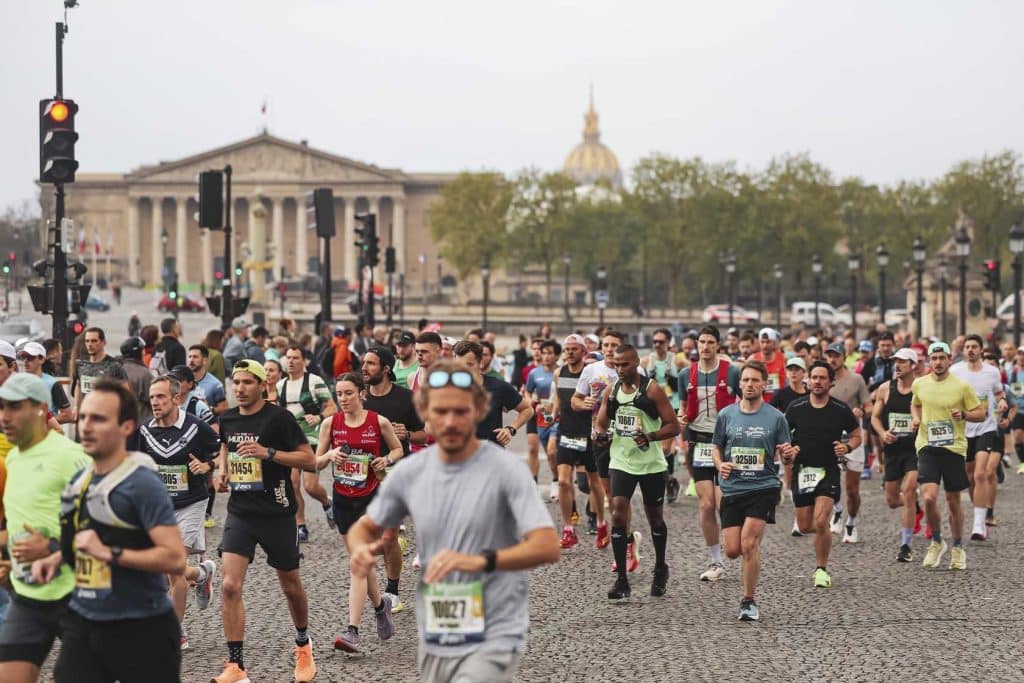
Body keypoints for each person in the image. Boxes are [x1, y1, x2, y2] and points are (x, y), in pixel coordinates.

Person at [347, 361, 559, 683]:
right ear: (425, 413)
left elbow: (546, 546)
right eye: (440, 411)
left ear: (478, 411)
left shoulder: (506, 470)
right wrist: (360, 549)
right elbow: (365, 527)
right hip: (442, 609)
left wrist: (479, 562)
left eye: (460, 411)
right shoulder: (412, 472)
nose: (449, 421)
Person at [39, 379, 186, 682]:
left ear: (126, 427)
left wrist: (110, 553)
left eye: (99, 419)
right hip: (84, 624)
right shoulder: (79, 480)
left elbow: (175, 558)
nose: (86, 426)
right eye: (83, 417)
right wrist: (55, 558)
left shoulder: (142, 484)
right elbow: (86, 542)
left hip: (143, 628)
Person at [211, 359, 317, 683]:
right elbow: (226, 446)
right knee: (230, 585)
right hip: (241, 513)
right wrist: (222, 471)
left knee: (290, 585)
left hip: (277, 513)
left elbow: (309, 460)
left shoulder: (279, 418)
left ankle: (303, 644)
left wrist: (268, 453)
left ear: (261, 385)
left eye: (247, 382)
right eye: (236, 383)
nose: (240, 388)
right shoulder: (227, 418)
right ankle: (236, 666)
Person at [0, 374, 90, 683]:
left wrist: (53, 547)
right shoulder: (13, 459)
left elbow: (107, 528)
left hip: (77, 596)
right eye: (1, 407)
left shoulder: (71, 457)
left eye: (14, 407)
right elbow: (22, 525)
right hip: (28, 598)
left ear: (41, 408)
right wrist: (9, 559)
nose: (4, 417)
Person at [314, 372, 401, 653]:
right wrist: (329, 456)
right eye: (339, 394)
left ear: (362, 393)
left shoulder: (378, 422)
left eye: (349, 393)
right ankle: (380, 607)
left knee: (357, 563)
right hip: (342, 501)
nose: (343, 399)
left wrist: (385, 459)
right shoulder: (330, 424)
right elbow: (315, 462)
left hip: (370, 500)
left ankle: (352, 631)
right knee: (362, 563)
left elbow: (398, 450)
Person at [138, 376, 219, 650]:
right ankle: (201, 574)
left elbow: (220, 449)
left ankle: (176, 632)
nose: (155, 402)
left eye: (160, 396)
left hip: (191, 503)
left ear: (176, 398)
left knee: (172, 568)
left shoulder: (195, 427)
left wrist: (207, 466)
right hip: (160, 508)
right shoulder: (145, 431)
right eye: (152, 397)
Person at [595, 344, 679, 599]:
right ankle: (622, 580)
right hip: (621, 462)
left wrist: (650, 436)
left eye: (624, 364)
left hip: (651, 464)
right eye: (616, 365)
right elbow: (601, 424)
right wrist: (600, 435)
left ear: (635, 363)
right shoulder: (611, 391)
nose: (620, 369)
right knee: (618, 513)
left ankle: (661, 568)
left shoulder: (651, 390)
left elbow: (673, 425)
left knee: (655, 518)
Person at [711, 361, 791, 621]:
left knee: (748, 543)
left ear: (764, 384)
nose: (750, 384)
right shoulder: (726, 415)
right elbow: (716, 447)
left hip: (763, 487)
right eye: (745, 380)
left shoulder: (776, 418)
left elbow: (786, 454)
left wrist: (788, 456)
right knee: (732, 550)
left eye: (755, 380)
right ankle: (750, 554)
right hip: (732, 488)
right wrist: (720, 464)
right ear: (740, 383)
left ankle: (748, 601)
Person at [784, 361, 861, 589]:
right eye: (814, 377)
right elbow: (783, 438)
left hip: (828, 470)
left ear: (831, 382)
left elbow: (857, 435)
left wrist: (847, 447)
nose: (817, 382)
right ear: (808, 380)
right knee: (805, 526)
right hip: (802, 471)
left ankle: (821, 569)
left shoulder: (840, 409)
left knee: (820, 521)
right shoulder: (796, 408)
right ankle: (823, 531)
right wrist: (788, 451)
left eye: (822, 378)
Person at [362, 346, 426, 612]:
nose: (364, 368)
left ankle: (392, 591)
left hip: (396, 472)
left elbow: (425, 433)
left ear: (386, 368)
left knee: (388, 537)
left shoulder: (406, 398)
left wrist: (408, 434)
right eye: (364, 363)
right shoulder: (359, 397)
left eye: (371, 363)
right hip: (362, 474)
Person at [911, 342, 985, 571]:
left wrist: (964, 414)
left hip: (954, 448)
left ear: (949, 360)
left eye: (942, 358)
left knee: (953, 501)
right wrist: (916, 418)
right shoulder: (919, 384)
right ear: (929, 361)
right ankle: (936, 541)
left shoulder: (962, 386)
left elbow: (981, 413)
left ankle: (958, 546)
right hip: (927, 446)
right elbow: (915, 404)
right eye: (934, 358)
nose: (938, 362)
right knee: (929, 497)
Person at [676, 325, 739, 581]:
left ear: (718, 346)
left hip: (725, 443)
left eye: (710, 342)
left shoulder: (732, 372)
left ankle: (736, 540)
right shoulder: (685, 374)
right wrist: (681, 419)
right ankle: (716, 561)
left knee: (724, 503)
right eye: (701, 342)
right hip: (699, 442)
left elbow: (746, 402)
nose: (705, 346)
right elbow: (682, 407)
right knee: (706, 504)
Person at [551, 335, 607, 548]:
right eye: (567, 349)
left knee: (594, 483)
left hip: (588, 434)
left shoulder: (590, 373)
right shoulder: (559, 373)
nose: (569, 353)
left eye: (574, 349)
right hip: (566, 432)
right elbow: (559, 397)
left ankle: (601, 523)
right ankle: (568, 529)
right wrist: (552, 414)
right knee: (564, 481)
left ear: (584, 352)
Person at [950, 334, 1007, 541]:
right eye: (967, 347)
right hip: (964, 430)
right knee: (970, 477)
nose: (971, 350)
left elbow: (999, 393)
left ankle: (978, 524)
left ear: (981, 350)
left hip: (986, 428)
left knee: (980, 474)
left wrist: (1002, 401)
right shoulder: (955, 371)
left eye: (974, 346)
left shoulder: (992, 372)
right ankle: (980, 515)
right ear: (963, 350)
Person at [278, 344, 337, 542]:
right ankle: (300, 525)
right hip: (290, 441)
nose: (291, 361)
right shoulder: (281, 385)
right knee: (292, 484)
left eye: (295, 358)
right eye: (288, 357)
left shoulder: (314, 381)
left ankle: (328, 503)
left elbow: (332, 407)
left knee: (310, 486)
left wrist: (319, 417)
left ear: (304, 361)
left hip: (312, 439)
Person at [870, 347, 921, 562]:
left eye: (902, 362)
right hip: (892, 450)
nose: (897, 366)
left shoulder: (921, 389)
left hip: (915, 449)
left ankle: (905, 545)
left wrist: (920, 423)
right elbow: (874, 417)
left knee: (908, 491)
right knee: (892, 500)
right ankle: (916, 506)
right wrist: (883, 433)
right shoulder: (885, 388)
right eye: (895, 362)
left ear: (913, 365)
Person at [823, 342, 871, 543]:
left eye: (836, 356)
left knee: (852, 489)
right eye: (829, 356)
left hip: (852, 435)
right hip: (829, 436)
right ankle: (837, 509)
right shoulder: (822, 379)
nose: (832, 360)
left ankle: (851, 522)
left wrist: (862, 411)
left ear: (844, 357)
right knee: (829, 484)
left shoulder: (856, 379)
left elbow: (869, 406)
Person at [453, 341, 533, 447]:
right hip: (459, 451)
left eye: (469, 365)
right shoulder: (448, 389)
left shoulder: (498, 386)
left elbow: (527, 409)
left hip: (491, 451)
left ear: (480, 363)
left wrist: (510, 429)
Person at [524, 339, 560, 498]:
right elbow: (528, 391)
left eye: (550, 353)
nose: (546, 356)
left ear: (557, 356)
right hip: (541, 418)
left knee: (552, 451)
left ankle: (558, 481)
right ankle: (556, 477)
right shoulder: (534, 373)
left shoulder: (562, 372)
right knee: (549, 453)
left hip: (559, 417)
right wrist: (531, 403)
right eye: (544, 353)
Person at [72, 328, 127, 412]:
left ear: (103, 342)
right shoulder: (80, 364)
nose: (89, 344)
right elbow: (78, 385)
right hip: (86, 413)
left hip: (106, 413)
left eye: (94, 341)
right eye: (87, 341)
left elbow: (126, 392)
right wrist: (76, 406)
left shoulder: (115, 366)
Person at [19, 341, 73, 424]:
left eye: (30, 357)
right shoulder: (17, 382)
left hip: (46, 432)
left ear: (41, 359)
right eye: (23, 357)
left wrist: (42, 422)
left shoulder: (53, 383)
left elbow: (67, 415)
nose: (25, 360)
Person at [119, 337, 153, 426]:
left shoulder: (117, 369)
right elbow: (153, 398)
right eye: (142, 350)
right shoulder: (144, 374)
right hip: (141, 424)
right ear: (138, 353)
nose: (144, 353)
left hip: (122, 423)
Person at [187, 345, 228, 416]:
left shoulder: (215, 384)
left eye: (195, 357)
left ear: (205, 360)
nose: (191, 360)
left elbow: (224, 408)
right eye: (189, 357)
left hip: (205, 422)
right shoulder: (182, 381)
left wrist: (209, 409)